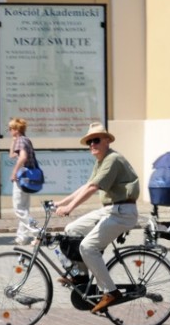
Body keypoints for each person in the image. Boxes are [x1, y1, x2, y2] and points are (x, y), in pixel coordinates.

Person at [55, 122, 140, 314]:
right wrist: (63, 202)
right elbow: (87, 185)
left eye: (96, 140)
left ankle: (110, 292)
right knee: (72, 230)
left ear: (107, 140)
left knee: (88, 247)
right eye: (89, 142)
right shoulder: (102, 160)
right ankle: (81, 277)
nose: (92, 144)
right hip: (110, 209)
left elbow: (94, 188)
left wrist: (70, 207)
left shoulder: (113, 159)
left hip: (122, 212)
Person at [8, 117, 39, 245]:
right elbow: (11, 155)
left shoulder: (21, 141)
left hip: (22, 176)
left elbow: (22, 158)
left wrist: (14, 172)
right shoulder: (25, 140)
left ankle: (38, 232)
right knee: (24, 208)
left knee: (19, 209)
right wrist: (13, 141)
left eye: (10, 129)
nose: (9, 131)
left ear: (16, 129)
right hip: (29, 177)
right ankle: (22, 237)